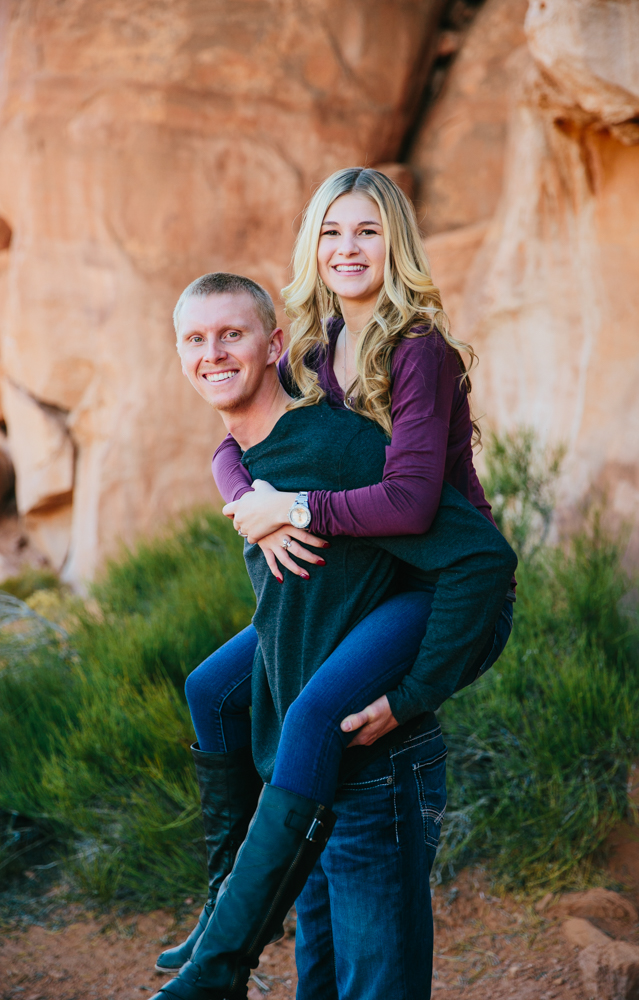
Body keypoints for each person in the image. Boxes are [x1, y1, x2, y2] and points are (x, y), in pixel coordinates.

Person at [155, 169, 515, 984]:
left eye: (366, 232)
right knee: (214, 689)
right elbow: (242, 440)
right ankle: (223, 904)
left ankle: (222, 961)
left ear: (397, 245)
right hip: (382, 579)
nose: (347, 249)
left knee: (316, 710)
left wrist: (300, 511)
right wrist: (249, 496)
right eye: (330, 233)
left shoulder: (414, 350)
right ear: (311, 249)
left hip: (443, 584)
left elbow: (412, 499)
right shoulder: (321, 351)